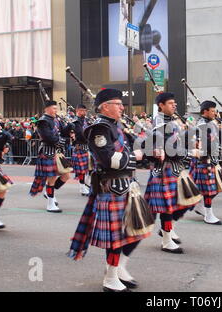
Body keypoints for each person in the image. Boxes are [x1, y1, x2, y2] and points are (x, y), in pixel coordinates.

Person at [68, 89, 150, 292]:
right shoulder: (99, 129)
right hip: (111, 188)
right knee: (116, 238)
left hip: (126, 187)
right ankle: (110, 278)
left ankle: (116, 270)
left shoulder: (115, 126)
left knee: (134, 231)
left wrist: (147, 152)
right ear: (105, 106)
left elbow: (129, 152)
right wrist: (137, 157)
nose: (122, 107)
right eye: (118, 103)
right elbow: (110, 160)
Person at [144, 92, 200, 254]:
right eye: (170, 103)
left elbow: (178, 140)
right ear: (161, 105)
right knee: (167, 208)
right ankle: (166, 240)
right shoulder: (160, 124)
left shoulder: (171, 122)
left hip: (175, 169)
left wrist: (190, 132)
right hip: (164, 170)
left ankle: (167, 230)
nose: (174, 105)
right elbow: (170, 149)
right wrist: (190, 152)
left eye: (174, 102)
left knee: (189, 199)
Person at [29, 100, 75, 213]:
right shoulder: (43, 121)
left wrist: (69, 127)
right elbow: (48, 137)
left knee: (66, 175)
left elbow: (61, 133)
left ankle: (49, 193)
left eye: (56, 108)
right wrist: (63, 141)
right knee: (51, 179)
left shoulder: (55, 120)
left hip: (57, 152)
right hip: (47, 152)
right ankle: (50, 204)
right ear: (47, 109)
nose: (56, 110)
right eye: (54, 108)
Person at [190, 101, 222, 225]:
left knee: (217, 187)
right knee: (209, 190)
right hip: (204, 160)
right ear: (205, 111)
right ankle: (208, 215)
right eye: (212, 111)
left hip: (212, 160)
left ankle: (199, 205)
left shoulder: (211, 123)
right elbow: (203, 144)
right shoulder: (201, 125)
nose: (215, 113)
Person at [71, 104, 91, 196]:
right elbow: (81, 134)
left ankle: (84, 186)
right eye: (82, 110)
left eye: (85, 110)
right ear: (77, 111)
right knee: (81, 171)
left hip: (86, 148)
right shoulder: (76, 122)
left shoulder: (85, 121)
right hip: (80, 148)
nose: (84, 112)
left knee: (86, 170)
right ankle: (82, 188)